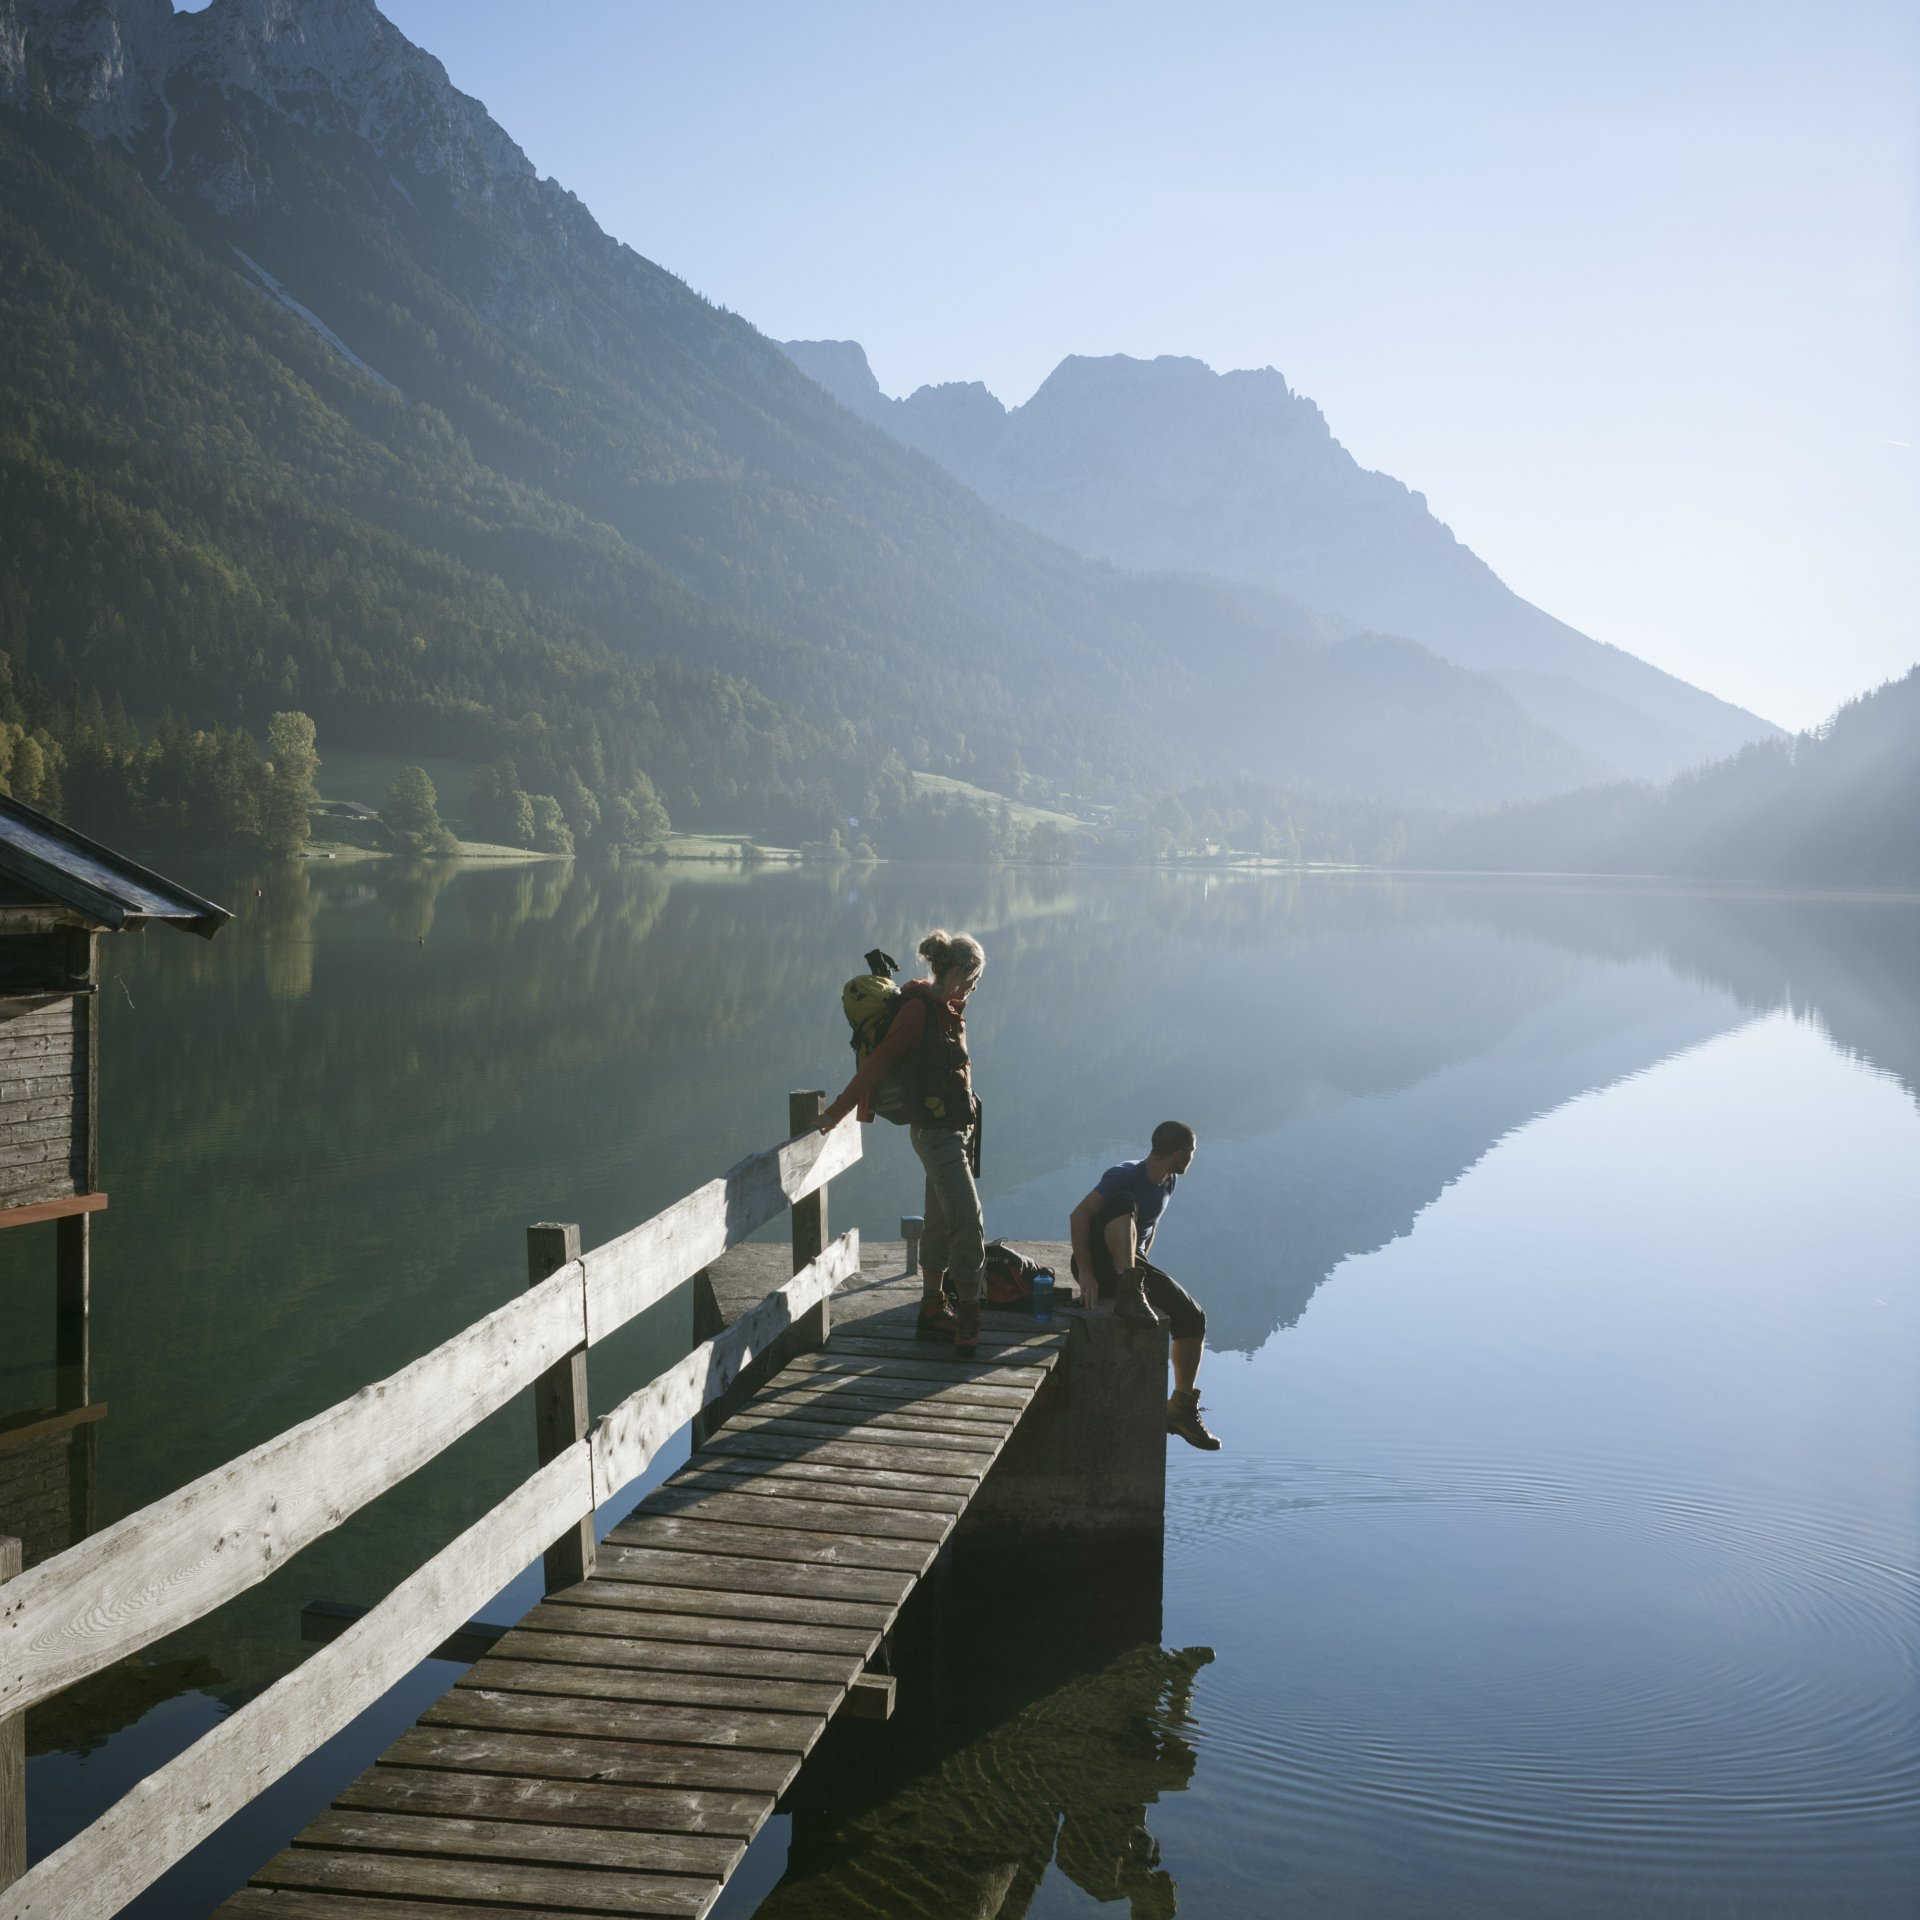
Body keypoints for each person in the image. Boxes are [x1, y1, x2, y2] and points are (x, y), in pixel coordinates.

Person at [822, 929, 987, 1357]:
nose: (973, 988)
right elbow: (878, 1063)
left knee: (939, 1219)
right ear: (955, 972)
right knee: (968, 1221)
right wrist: (837, 1112)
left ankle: (931, 1308)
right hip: (936, 1136)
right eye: (972, 979)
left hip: (955, 1131)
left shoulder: (948, 1011)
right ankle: (969, 1316)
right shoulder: (918, 1011)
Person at [1069, 1121, 1221, 1450]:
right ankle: (1129, 1289)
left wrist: (1144, 1268)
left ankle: (1180, 1408)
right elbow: (1079, 1216)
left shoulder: (1168, 1181)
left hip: (1131, 1266)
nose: (1192, 1158)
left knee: (1193, 1317)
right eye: (1192, 1152)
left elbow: (1149, 1228)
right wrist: (1085, 1272)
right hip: (1099, 1263)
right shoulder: (1124, 1175)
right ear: (1180, 1153)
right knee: (1124, 1201)